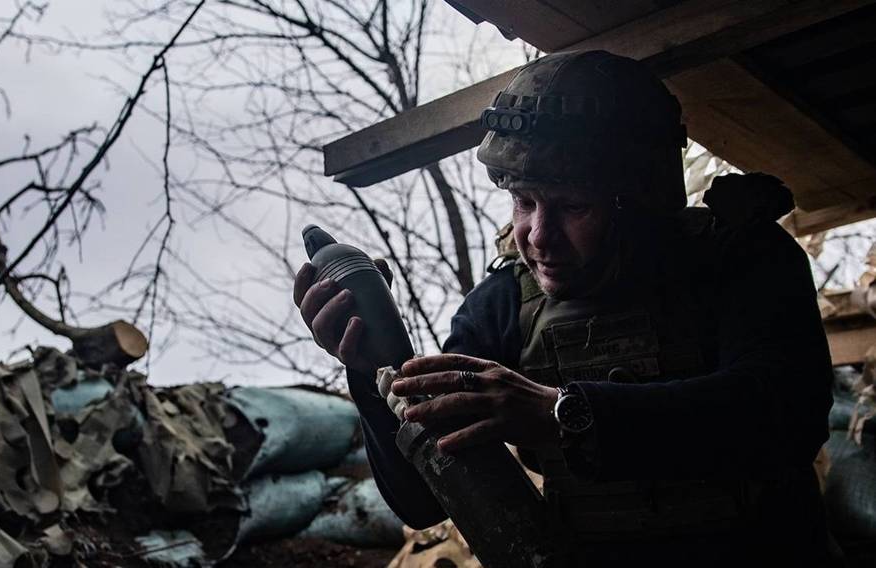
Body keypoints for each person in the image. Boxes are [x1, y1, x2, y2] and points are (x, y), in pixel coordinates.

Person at [293, 50, 835, 566]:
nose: (537, 236)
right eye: (523, 202)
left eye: (573, 206)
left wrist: (562, 414)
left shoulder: (741, 258)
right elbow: (424, 502)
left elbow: (784, 417)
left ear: (644, 202)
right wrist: (370, 373)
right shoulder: (504, 302)